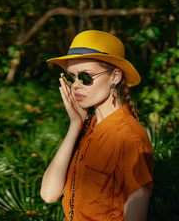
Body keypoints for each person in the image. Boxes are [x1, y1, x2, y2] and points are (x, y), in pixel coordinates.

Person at [41, 30, 153, 221]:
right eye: (71, 77)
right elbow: (49, 194)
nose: (76, 85)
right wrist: (75, 125)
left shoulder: (130, 137)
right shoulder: (88, 126)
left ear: (115, 77)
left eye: (85, 77)